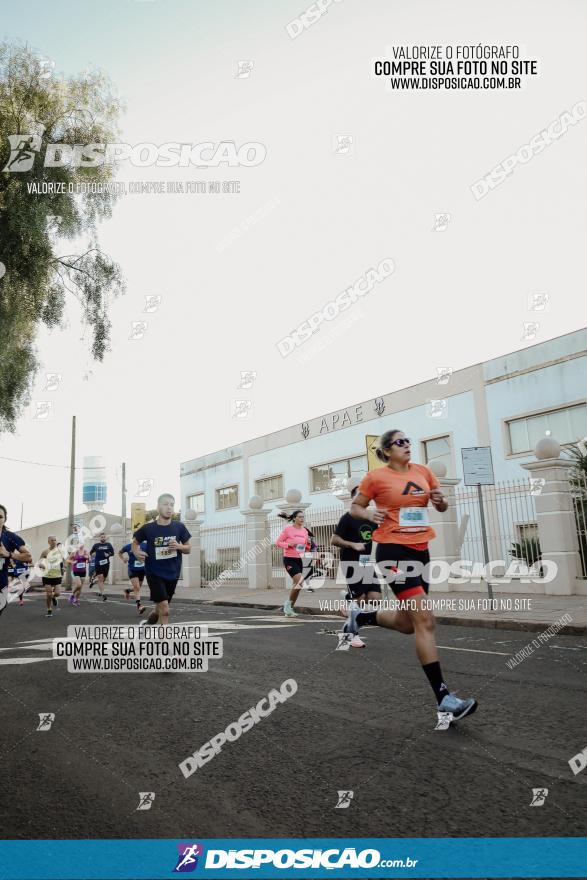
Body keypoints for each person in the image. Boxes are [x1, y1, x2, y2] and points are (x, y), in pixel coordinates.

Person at [343, 429, 478, 722]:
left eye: (408, 441)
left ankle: (362, 617)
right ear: (386, 451)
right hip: (393, 553)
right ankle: (444, 698)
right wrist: (367, 515)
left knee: (407, 624)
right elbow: (356, 507)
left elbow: (441, 506)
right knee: (425, 620)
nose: (407, 446)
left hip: (420, 552)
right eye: (400, 442)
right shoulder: (375, 478)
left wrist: (440, 500)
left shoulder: (424, 472)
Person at [331, 483, 381, 648]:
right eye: (361, 494)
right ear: (354, 498)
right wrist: (352, 544)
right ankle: (351, 635)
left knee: (375, 600)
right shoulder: (347, 518)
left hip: (366, 563)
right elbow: (334, 540)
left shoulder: (370, 518)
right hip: (351, 563)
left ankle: (348, 599)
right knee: (359, 600)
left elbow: (382, 534)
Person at [132, 494, 191, 626]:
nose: (169, 508)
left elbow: (188, 548)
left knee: (159, 610)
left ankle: (146, 625)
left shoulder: (179, 527)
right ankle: (165, 643)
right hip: (154, 573)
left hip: (172, 573)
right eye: (165, 504)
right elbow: (135, 542)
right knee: (165, 610)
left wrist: (179, 546)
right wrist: (136, 552)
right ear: (158, 507)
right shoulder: (148, 528)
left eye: (172, 505)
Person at [275, 510, 311, 617]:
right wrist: (288, 544)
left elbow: (305, 547)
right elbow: (278, 543)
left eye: (303, 517)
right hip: (289, 559)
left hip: (299, 559)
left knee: (297, 585)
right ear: (294, 518)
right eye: (300, 517)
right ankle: (287, 606)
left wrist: (308, 544)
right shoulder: (288, 530)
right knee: (299, 582)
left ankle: (289, 609)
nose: (302, 519)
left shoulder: (305, 531)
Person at [0, 505, 32, 616]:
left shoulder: (10, 537)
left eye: (0, 517)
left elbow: (28, 557)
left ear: (4, 520)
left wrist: (8, 554)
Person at [118, 540, 147, 614]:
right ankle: (139, 606)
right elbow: (119, 552)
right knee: (137, 587)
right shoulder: (128, 546)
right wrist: (123, 559)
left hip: (142, 570)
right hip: (132, 570)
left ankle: (127, 591)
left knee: (138, 587)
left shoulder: (145, 545)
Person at [39, 535, 64, 618]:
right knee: (48, 594)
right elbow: (39, 562)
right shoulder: (45, 552)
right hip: (47, 575)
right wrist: (42, 566)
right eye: (52, 540)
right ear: (48, 542)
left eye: (55, 540)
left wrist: (64, 567)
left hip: (57, 575)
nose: (54, 541)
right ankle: (49, 609)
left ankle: (54, 598)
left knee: (57, 593)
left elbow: (65, 560)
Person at [89, 533, 115, 602]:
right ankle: (103, 594)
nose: (103, 538)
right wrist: (92, 555)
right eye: (101, 537)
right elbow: (91, 552)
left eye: (104, 537)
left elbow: (112, 553)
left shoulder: (108, 545)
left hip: (106, 564)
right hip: (98, 564)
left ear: (105, 538)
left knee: (103, 579)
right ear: (99, 538)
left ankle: (93, 581)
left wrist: (108, 554)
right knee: (100, 579)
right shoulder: (96, 545)